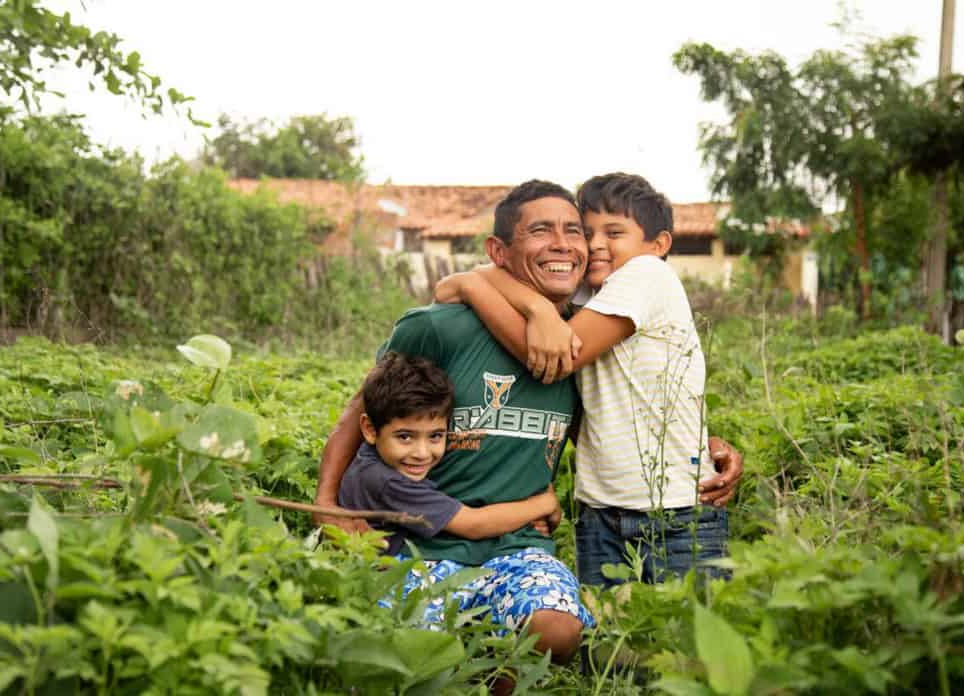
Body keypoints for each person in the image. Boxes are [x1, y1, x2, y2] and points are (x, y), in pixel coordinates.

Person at [314, 179, 742, 664]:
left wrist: (699, 439)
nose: (569, 243)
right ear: (500, 251)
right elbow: (361, 411)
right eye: (542, 230)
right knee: (390, 654)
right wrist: (327, 502)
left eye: (574, 231)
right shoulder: (440, 326)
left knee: (594, 639)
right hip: (421, 543)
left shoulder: (582, 339)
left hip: (521, 543)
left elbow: (625, 404)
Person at [434, 172, 731, 588]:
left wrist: (473, 284)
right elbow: (449, 289)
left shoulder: (647, 274)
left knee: (687, 645)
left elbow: (556, 357)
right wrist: (517, 300)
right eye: (587, 232)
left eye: (614, 232)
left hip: (676, 513)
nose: (594, 245)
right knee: (610, 649)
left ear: (658, 245)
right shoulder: (589, 298)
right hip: (600, 514)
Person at [338, 351, 561, 556]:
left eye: (435, 436)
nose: (422, 453)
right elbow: (473, 525)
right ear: (370, 429)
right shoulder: (386, 481)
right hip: (378, 581)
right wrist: (542, 504)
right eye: (405, 437)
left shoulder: (372, 459)